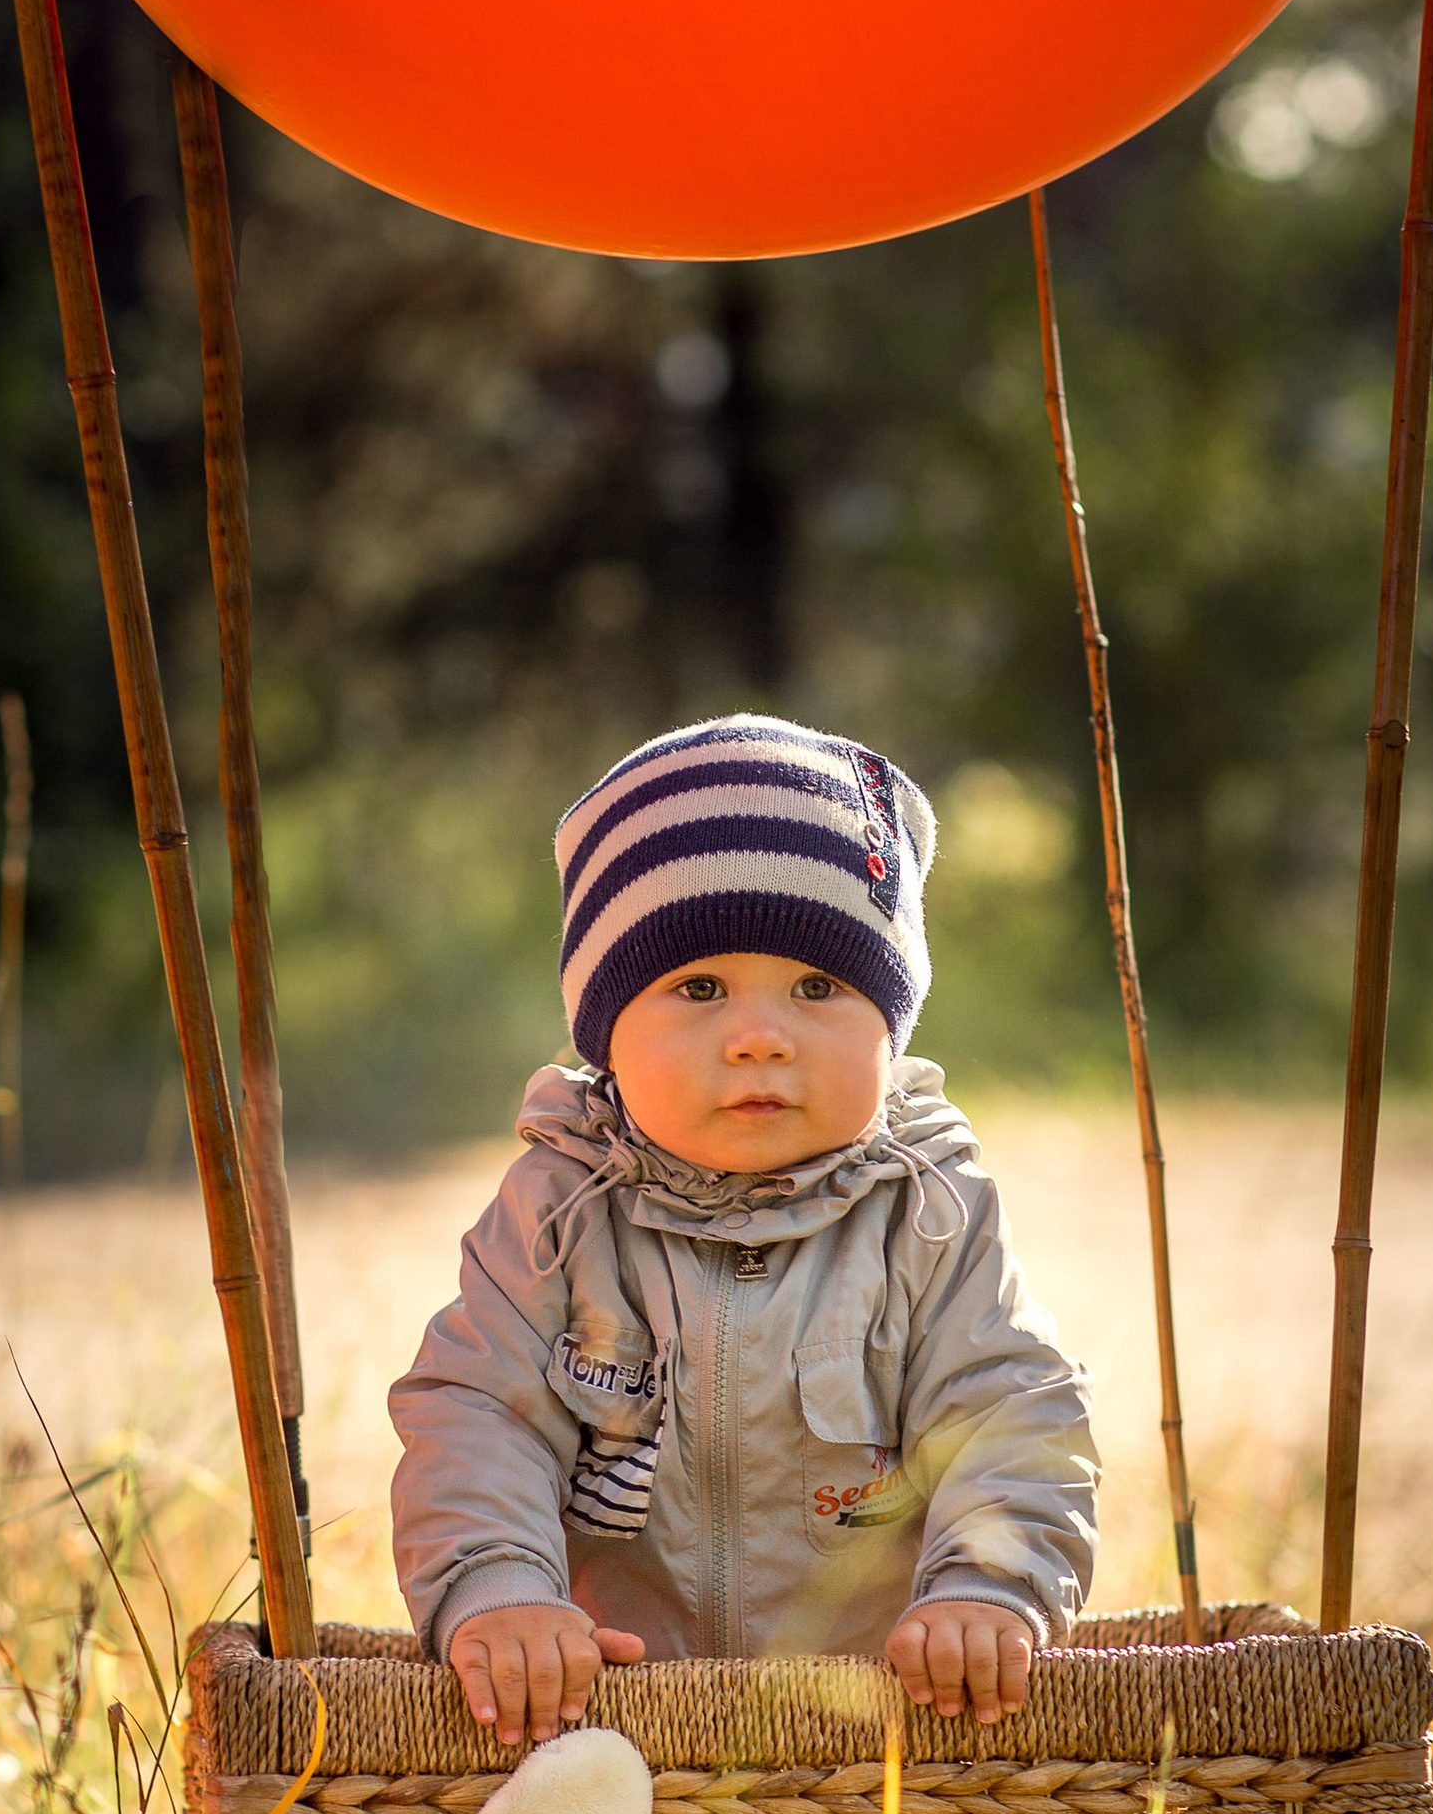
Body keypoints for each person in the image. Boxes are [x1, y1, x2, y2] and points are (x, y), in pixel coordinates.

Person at [389, 715, 1097, 1747]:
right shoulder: (558, 1213)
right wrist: (499, 1588)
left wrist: (987, 1588)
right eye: (699, 988)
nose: (761, 1037)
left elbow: (1009, 1407)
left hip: (882, 1724)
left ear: (891, 1024)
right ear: (606, 1034)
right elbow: (481, 1410)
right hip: (613, 1714)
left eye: (818, 988)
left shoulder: (927, 1209)